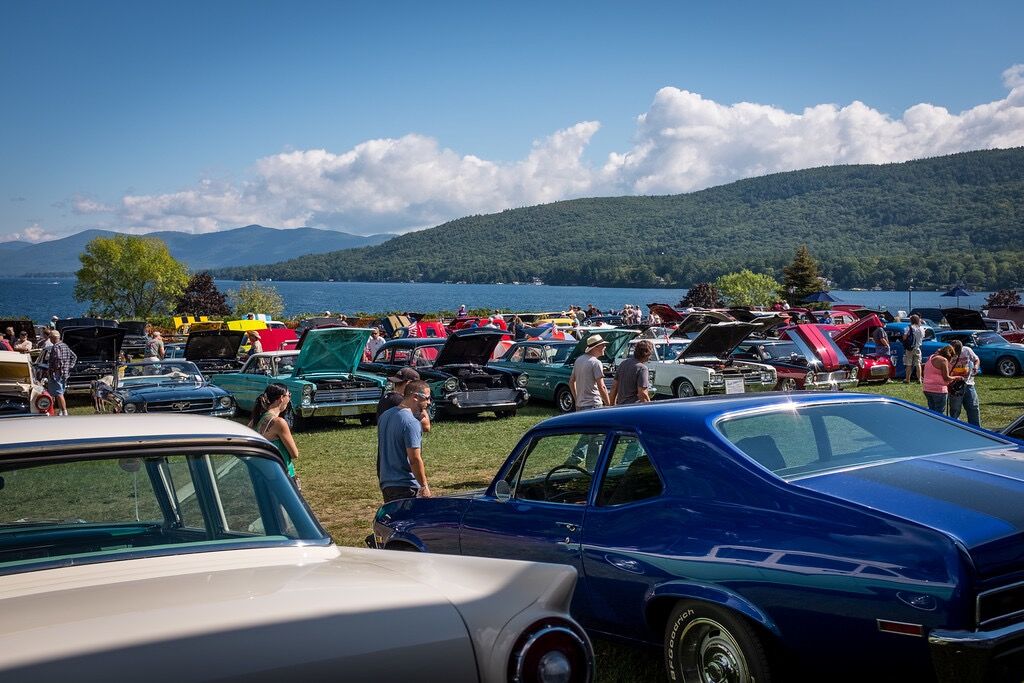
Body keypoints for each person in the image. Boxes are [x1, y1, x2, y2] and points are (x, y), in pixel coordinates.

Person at [377, 380, 433, 503]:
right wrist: (424, 486)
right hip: (406, 486)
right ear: (415, 397)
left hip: (387, 483)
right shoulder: (411, 422)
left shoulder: (385, 416)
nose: (429, 402)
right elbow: (414, 459)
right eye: (427, 398)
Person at [249, 383, 300, 485]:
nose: (289, 399)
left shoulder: (256, 420)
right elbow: (295, 454)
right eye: (289, 395)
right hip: (281, 474)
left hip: (263, 474)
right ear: (281, 398)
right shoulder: (279, 422)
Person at [377, 367, 431, 432]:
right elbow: (426, 426)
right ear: (409, 384)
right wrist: (423, 402)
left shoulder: (385, 398)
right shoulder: (401, 402)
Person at [569, 335, 611, 411]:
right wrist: (609, 405)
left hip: (580, 405)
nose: (605, 347)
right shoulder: (596, 362)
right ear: (596, 347)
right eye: (603, 345)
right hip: (594, 404)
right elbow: (602, 387)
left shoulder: (578, 360)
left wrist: (577, 400)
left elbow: (571, 382)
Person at [948, 339, 981, 426]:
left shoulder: (967, 350)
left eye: (959, 350)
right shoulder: (948, 353)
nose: (957, 352)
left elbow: (976, 359)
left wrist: (976, 367)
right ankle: (955, 428)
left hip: (968, 383)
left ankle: (976, 429)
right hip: (954, 385)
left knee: (973, 407)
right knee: (955, 409)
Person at [43, 330, 76, 416]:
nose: (49, 339)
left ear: (53, 338)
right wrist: (69, 366)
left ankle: (65, 411)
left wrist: (55, 368)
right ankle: (61, 411)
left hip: (56, 373)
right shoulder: (65, 345)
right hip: (64, 373)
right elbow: (74, 356)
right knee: (59, 392)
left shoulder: (56, 347)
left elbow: (57, 358)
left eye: (50, 337)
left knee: (59, 393)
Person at [610, 340, 652, 405]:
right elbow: (642, 393)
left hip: (621, 406)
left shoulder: (623, 364)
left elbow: (614, 387)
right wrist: (650, 407)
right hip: (634, 408)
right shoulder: (642, 368)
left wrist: (611, 406)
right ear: (647, 353)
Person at [922, 345, 957, 414]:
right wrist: (957, 377)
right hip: (939, 390)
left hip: (927, 388)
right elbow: (946, 377)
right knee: (939, 413)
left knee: (932, 412)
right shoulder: (943, 360)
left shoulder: (931, 357)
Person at [902, 315, 925, 383]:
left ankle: (907, 379)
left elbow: (904, 337)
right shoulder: (921, 328)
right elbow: (923, 337)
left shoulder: (909, 327)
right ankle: (919, 379)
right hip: (918, 347)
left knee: (908, 363)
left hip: (910, 348)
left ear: (911, 320)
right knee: (918, 363)